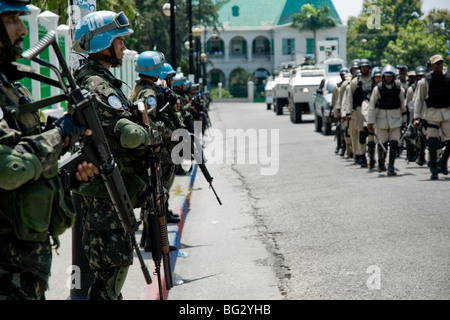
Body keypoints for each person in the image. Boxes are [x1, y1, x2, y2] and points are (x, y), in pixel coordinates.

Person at [0, 0, 98, 299]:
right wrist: (60, 134)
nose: (20, 30)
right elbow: (10, 170)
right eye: (10, 19)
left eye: (19, 18)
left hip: (24, 267)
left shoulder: (11, 86)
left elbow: (28, 156)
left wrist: (67, 178)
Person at [71, 10, 162, 299]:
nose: (124, 48)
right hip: (105, 192)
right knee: (112, 273)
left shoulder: (100, 80)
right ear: (103, 44)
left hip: (110, 187)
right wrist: (154, 135)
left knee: (112, 270)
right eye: (119, 41)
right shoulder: (97, 85)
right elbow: (130, 135)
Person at [128, 53, 180, 228]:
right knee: (156, 195)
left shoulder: (141, 88)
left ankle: (150, 237)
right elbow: (149, 121)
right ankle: (153, 238)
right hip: (154, 148)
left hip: (146, 146)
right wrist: (170, 132)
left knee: (153, 195)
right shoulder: (149, 92)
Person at [414, 54, 450, 180]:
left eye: (441, 63)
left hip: (446, 113)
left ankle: (443, 162)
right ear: (432, 65)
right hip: (432, 114)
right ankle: (434, 169)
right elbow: (419, 100)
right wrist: (417, 117)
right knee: (433, 142)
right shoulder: (425, 80)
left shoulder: (448, 78)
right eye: (436, 64)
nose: (439, 65)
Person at [367, 65, 407, 176]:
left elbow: (403, 105)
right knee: (382, 143)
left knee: (394, 143)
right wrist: (370, 122)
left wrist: (404, 120)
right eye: (386, 76)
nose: (388, 78)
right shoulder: (377, 89)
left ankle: (391, 166)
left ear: (394, 77)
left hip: (395, 119)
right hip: (381, 120)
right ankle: (381, 163)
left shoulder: (399, 88)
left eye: (391, 76)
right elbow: (372, 106)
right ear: (383, 77)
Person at [343, 58, 372, 168]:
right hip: (359, 110)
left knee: (372, 134)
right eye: (362, 67)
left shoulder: (373, 79)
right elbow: (349, 97)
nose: (364, 69)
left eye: (366, 67)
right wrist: (348, 112)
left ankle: (372, 156)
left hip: (371, 109)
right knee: (362, 133)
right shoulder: (355, 81)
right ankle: (362, 155)